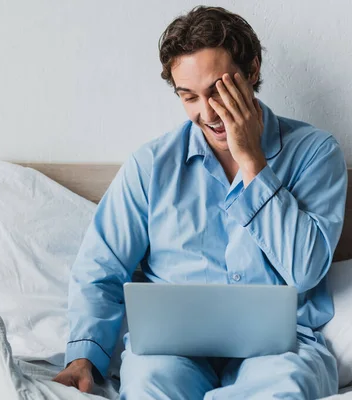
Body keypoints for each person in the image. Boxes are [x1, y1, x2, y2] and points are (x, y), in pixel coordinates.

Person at [52, 5, 348, 399]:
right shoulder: (151, 166)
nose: (206, 113)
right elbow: (101, 268)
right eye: (189, 97)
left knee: (286, 388)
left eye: (218, 91)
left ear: (253, 70)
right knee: (147, 384)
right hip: (172, 353)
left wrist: (253, 163)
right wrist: (84, 357)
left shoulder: (315, 153)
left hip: (280, 351)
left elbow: (306, 269)